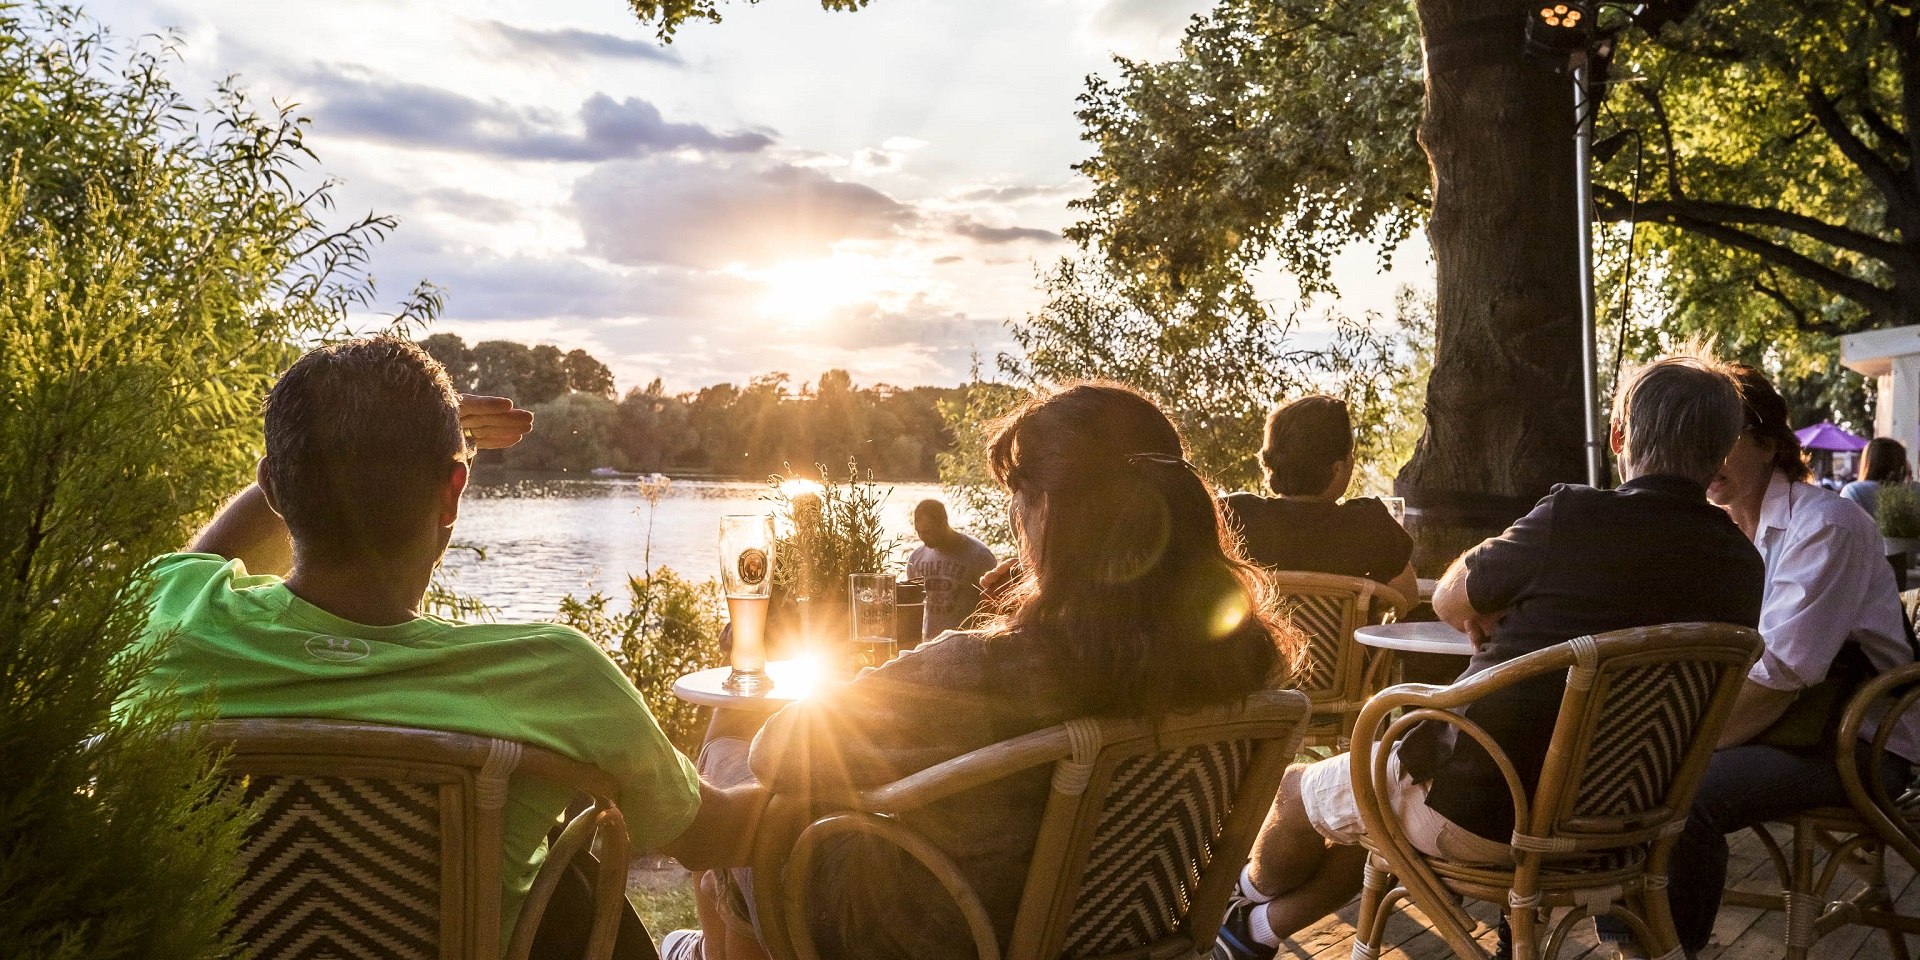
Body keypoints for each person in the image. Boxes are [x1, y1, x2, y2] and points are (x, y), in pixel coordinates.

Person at [123, 337, 753, 959]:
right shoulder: (557, 676)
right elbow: (714, 837)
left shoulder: (168, 622)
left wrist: (309, 461)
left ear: (275, 490)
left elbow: (194, 563)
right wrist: (772, 721)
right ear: (453, 492)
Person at [669, 381, 1298, 960]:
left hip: (948, 928)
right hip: (1118, 926)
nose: (1014, 525)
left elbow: (779, 748)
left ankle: (706, 950)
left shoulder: (1000, 665)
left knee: (737, 759)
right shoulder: (1248, 656)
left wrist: (983, 631)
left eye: (1016, 503)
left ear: (1048, 508)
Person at [1214, 356, 1766, 960]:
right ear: (1720, 455)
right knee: (1362, 809)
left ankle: (1233, 905)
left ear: (1618, 436)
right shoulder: (1741, 564)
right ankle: (1252, 929)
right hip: (1633, 827)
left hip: (1487, 811)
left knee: (1300, 791)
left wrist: (1490, 608)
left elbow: (1450, 599)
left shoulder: (1575, 517)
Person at [1596, 365, 1918, 959]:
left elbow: (1777, 682)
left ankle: (1665, 952)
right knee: (1618, 776)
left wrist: (1671, 746)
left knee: (1674, 795)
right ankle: (1635, 946)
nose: (1706, 451)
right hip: (1775, 730)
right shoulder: (1714, 532)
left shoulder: (1825, 525)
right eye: (1697, 435)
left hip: (1860, 742)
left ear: (1771, 442)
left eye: (1725, 433)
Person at [1220, 395, 1418, 609]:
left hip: (1263, 642)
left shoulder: (1235, 516)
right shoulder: (1370, 524)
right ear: (1338, 468)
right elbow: (1408, 599)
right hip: (1345, 644)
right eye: (1350, 454)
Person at [905, 498, 998, 636]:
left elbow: (994, 605)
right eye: (919, 532)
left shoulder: (979, 556)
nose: (923, 537)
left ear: (943, 523)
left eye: (928, 532)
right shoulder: (916, 559)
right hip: (928, 644)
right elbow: (913, 608)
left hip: (966, 642)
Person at [1841, 435, 1912, 519]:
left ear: (1867, 462)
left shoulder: (1854, 490)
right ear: (1902, 462)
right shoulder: (1914, 490)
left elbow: (1844, 525)